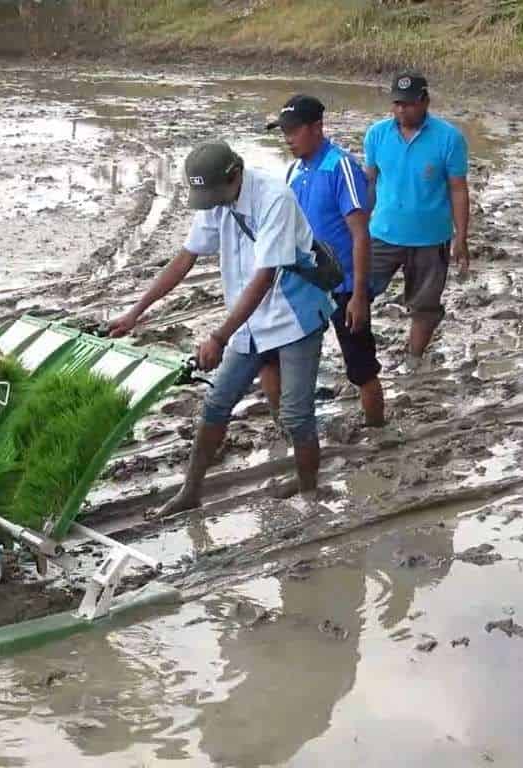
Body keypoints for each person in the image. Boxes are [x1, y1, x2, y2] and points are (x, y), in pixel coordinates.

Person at [109, 140, 332, 514]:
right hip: (248, 320)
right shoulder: (218, 199)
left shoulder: (273, 199)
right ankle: (190, 493)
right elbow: (186, 258)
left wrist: (218, 336)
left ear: (235, 175)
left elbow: (264, 278)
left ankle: (309, 490)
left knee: (295, 414)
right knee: (215, 404)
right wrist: (135, 312)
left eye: (214, 193)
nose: (210, 202)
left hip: (294, 315)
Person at [262, 94, 382, 427]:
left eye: (294, 131)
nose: (288, 139)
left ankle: (378, 432)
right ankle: (288, 427)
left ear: (317, 128)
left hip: (342, 287)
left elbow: (360, 233)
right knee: (275, 358)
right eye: (283, 131)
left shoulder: (340, 166)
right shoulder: (293, 170)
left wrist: (359, 296)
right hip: (302, 286)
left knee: (361, 368)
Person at [362, 72, 471, 372]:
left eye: (408, 104)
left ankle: (413, 358)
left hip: (430, 238)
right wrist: (357, 227)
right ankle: (360, 354)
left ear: (425, 101)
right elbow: (370, 182)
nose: (401, 110)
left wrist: (461, 237)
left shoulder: (449, 138)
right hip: (382, 234)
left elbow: (458, 188)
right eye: (397, 104)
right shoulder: (377, 134)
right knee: (357, 291)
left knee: (425, 304)